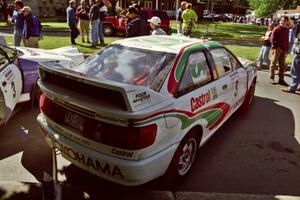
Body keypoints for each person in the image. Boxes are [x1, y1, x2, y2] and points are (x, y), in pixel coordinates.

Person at [269, 16, 289, 85]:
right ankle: (271, 77)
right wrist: (274, 47)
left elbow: (287, 40)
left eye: (284, 21)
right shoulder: (276, 29)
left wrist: (287, 50)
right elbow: (272, 39)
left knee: (282, 65)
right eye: (282, 20)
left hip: (284, 49)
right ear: (280, 21)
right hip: (277, 48)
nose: (282, 22)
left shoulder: (286, 30)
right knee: (273, 63)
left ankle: (281, 79)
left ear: (287, 22)